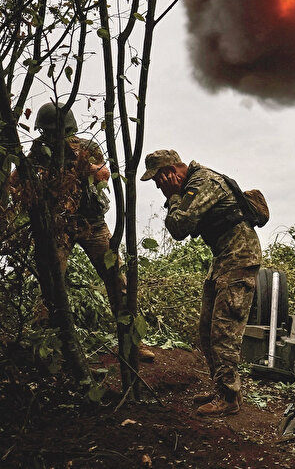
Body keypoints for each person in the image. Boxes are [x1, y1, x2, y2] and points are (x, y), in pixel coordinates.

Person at [14, 103, 154, 361]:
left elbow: (102, 174)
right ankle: (44, 344)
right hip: (59, 225)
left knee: (117, 280)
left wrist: (79, 167)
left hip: (92, 223)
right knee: (51, 282)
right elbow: (16, 181)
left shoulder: (87, 148)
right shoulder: (37, 153)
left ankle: (133, 342)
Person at [142, 149, 260, 417]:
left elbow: (179, 227)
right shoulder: (194, 186)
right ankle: (221, 389)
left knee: (224, 331)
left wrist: (173, 197)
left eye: (158, 179)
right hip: (223, 259)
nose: (159, 186)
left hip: (238, 259)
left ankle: (229, 398)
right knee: (206, 330)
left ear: (170, 172)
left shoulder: (203, 182)